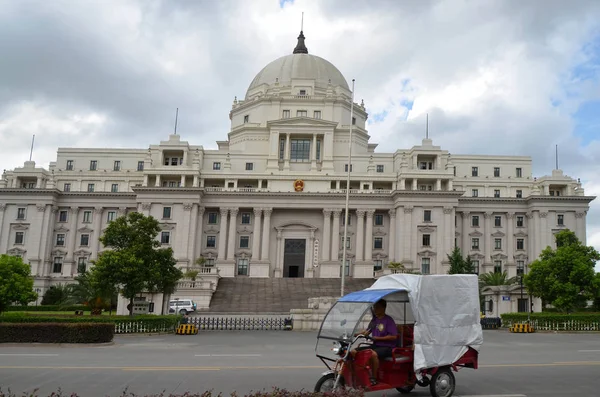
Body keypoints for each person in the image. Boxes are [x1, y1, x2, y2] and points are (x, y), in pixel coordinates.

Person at [352, 299, 397, 385]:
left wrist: (378, 338)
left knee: (372, 354)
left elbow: (393, 336)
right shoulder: (374, 320)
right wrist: (355, 334)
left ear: (384, 308)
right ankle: (364, 372)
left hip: (388, 347)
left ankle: (374, 378)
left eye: (377, 307)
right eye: (374, 307)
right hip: (376, 345)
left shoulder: (388, 320)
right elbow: (367, 332)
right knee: (354, 351)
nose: (375, 309)